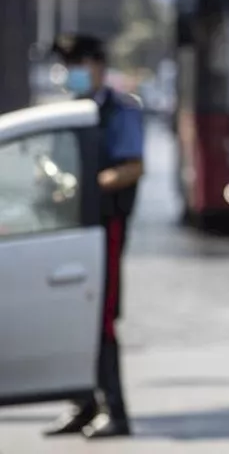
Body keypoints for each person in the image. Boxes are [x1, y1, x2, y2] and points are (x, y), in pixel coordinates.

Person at [43, 33, 144, 440]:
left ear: (98, 65)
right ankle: (83, 406)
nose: (73, 73)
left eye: (78, 64)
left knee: (100, 319)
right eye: (69, 66)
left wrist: (89, 184)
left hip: (105, 228)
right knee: (71, 317)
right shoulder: (68, 112)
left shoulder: (120, 111)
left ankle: (116, 411)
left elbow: (132, 166)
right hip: (68, 227)